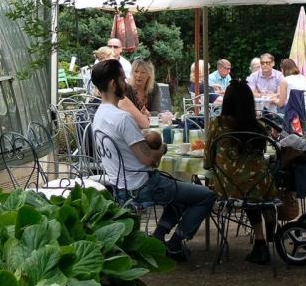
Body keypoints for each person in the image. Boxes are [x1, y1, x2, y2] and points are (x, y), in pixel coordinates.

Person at [91, 59, 215, 263]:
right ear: (114, 84)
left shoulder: (99, 115)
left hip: (119, 184)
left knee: (180, 191)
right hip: (142, 185)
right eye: (123, 78)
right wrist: (162, 148)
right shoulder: (121, 118)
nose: (126, 82)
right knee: (206, 195)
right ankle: (176, 244)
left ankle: (158, 238)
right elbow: (149, 159)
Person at [205, 80, 279, 264]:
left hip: (230, 186)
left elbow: (208, 162)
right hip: (263, 184)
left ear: (227, 101)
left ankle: (261, 242)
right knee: (255, 187)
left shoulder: (218, 125)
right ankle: (269, 233)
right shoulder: (259, 127)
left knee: (243, 187)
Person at [275, 58, 306, 135]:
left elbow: (281, 103)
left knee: (273, 111)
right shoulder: (303, 78)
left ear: (284, 69)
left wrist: (273, 100)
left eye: (281, 69)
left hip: (295, 111)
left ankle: (277, 135)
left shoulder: (285, 80)